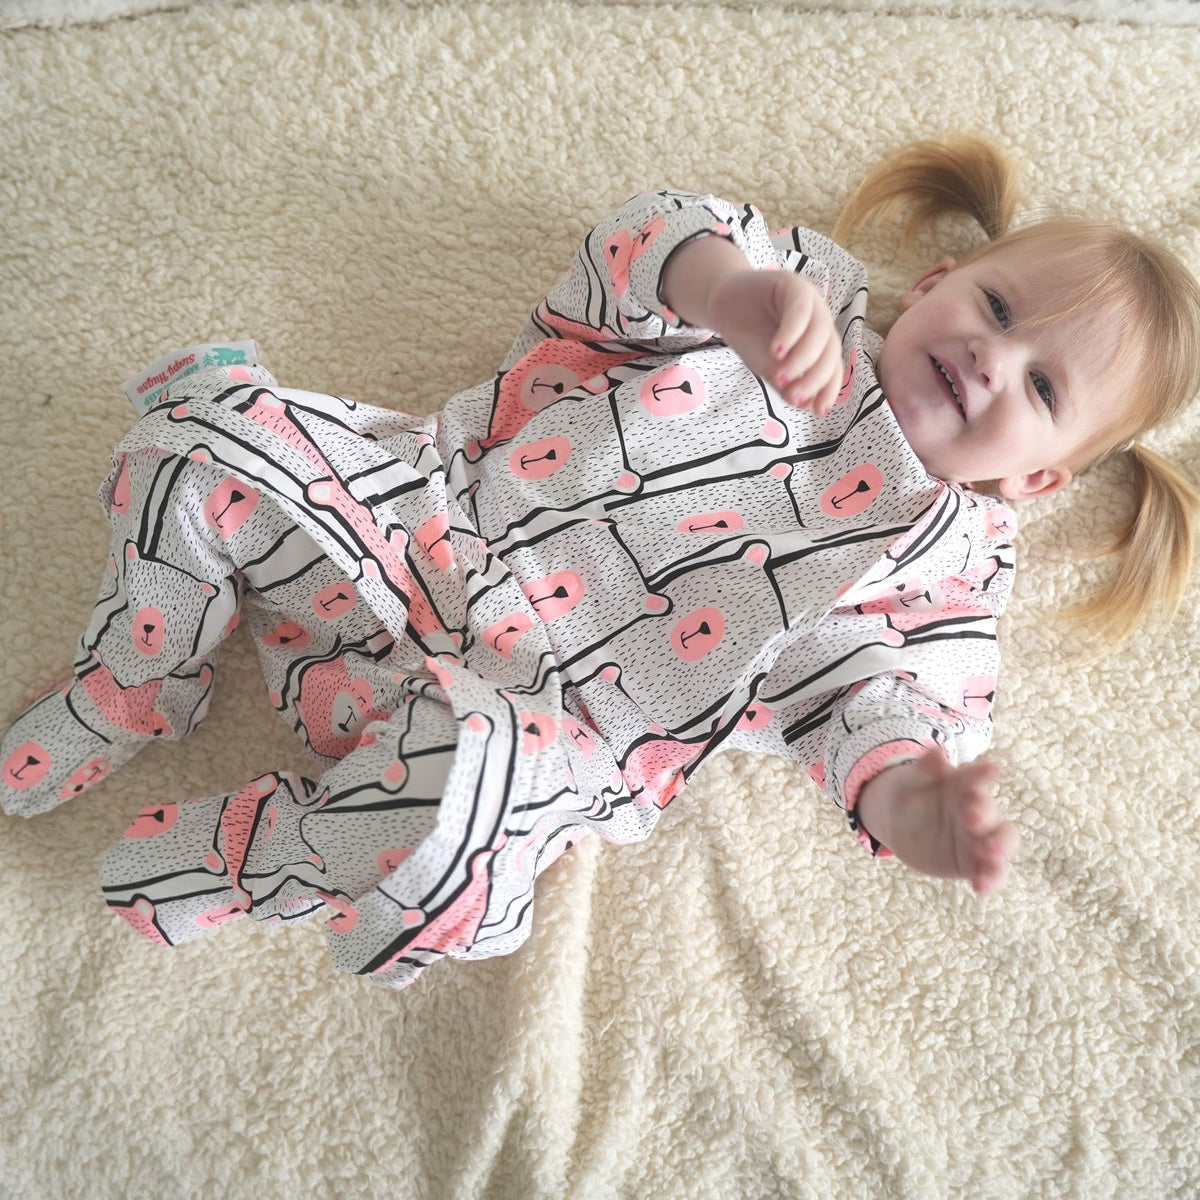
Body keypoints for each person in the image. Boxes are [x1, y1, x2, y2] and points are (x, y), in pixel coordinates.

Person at [3, 137, 1198, 988]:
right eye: (994, 308)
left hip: (532, 723)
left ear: (1039, 477)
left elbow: (872, 708)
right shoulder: (807, 300)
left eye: (1041, 386)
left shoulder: (940, 570)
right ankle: (136, 677)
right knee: (202, 433)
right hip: (408, 528)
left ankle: (268, 851)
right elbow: (643, 240)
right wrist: (730, 296)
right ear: (937, 284)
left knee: (465, 849)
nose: (991, 360)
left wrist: (913, 801)